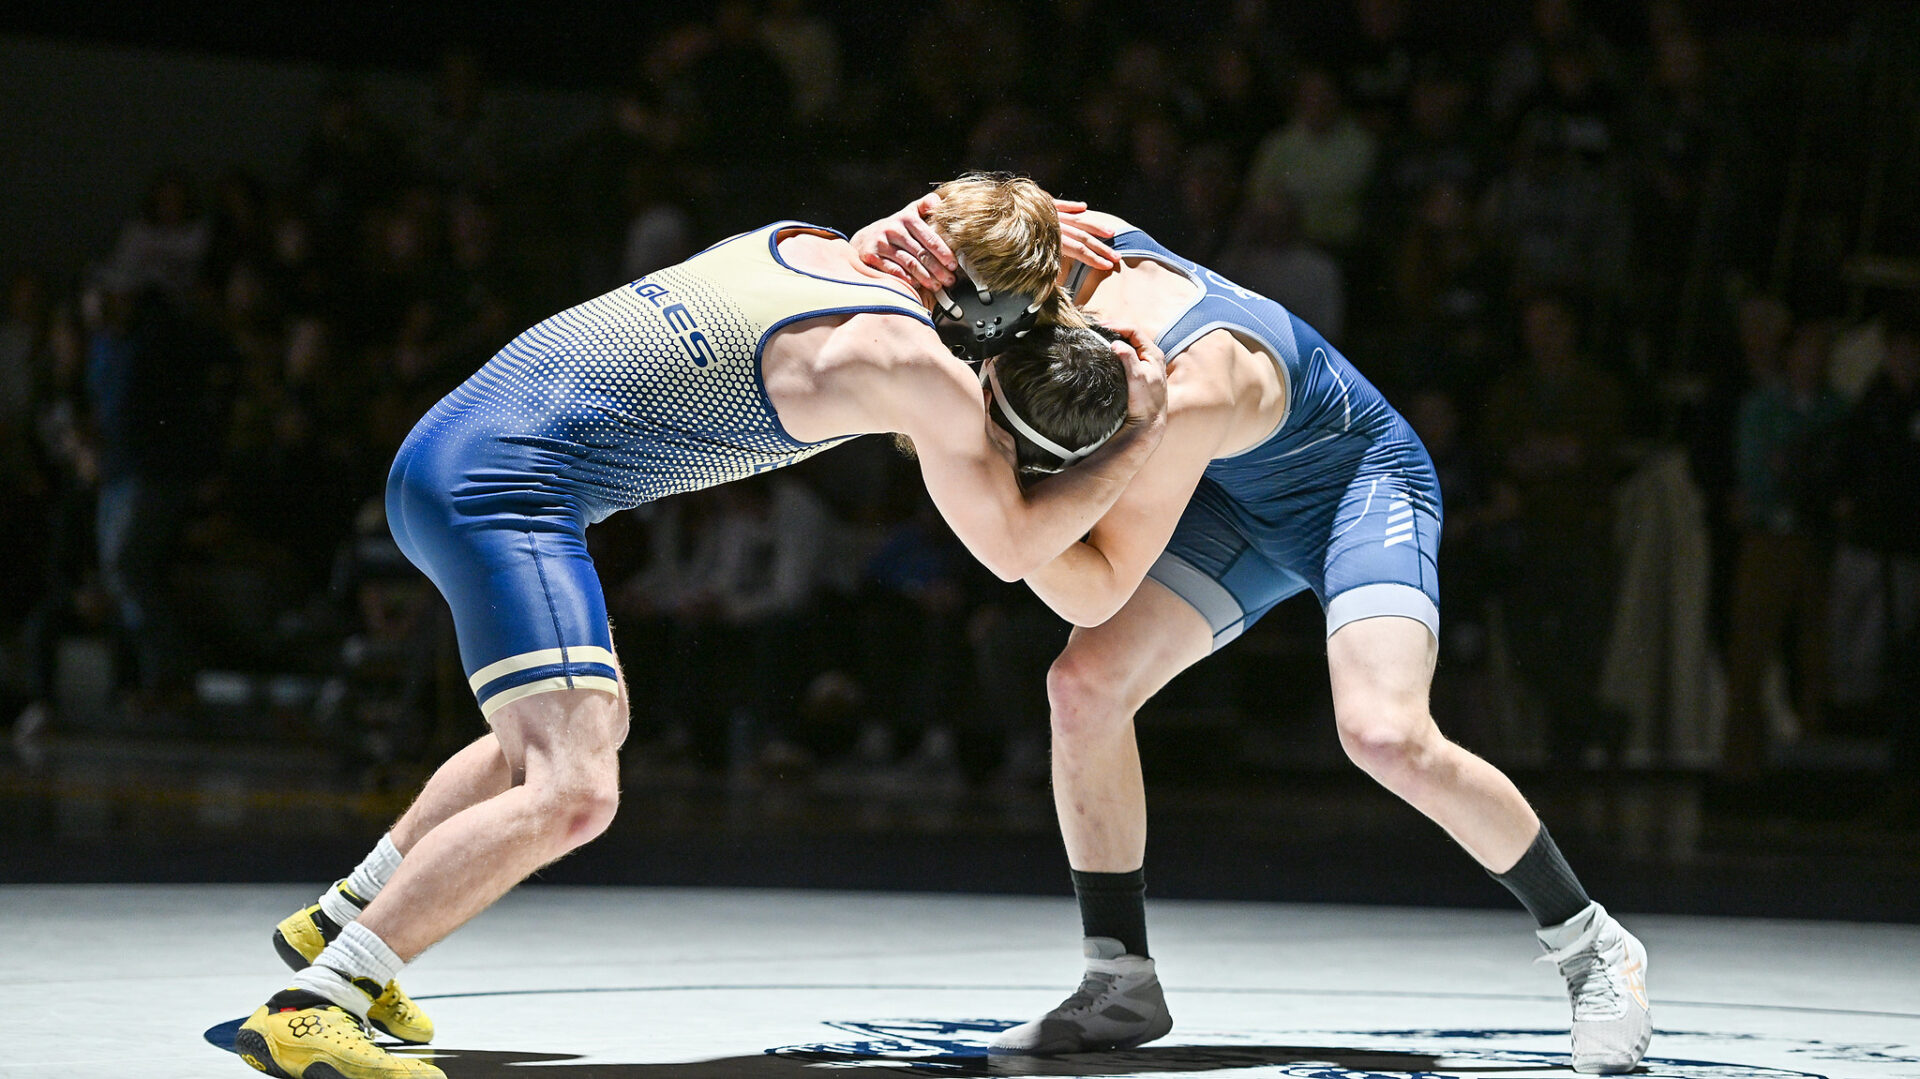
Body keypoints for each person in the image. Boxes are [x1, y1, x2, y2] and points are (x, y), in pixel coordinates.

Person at [234, 174, 1168, 1079]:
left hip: (445, 444)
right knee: (575, 790)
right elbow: (1012, 547)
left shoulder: (796, 239)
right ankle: (321, 998)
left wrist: (1014, 231)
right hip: (503, 495)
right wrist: (1135, 438)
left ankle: (348, 911)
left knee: (567, 730)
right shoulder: (908, 362)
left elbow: (915, 241)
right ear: (980, 314)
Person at [855, 203, 1652, 1073]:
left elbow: (1093, 583)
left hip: (1356, 485)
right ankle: (1119, 978)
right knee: (1083, 689)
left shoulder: (1182, 387)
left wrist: (999, 507)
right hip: (1236, 494)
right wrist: (897, 228)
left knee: (1384, 734)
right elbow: (965, 219)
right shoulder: (1058, 245)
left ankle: (1593, 945)